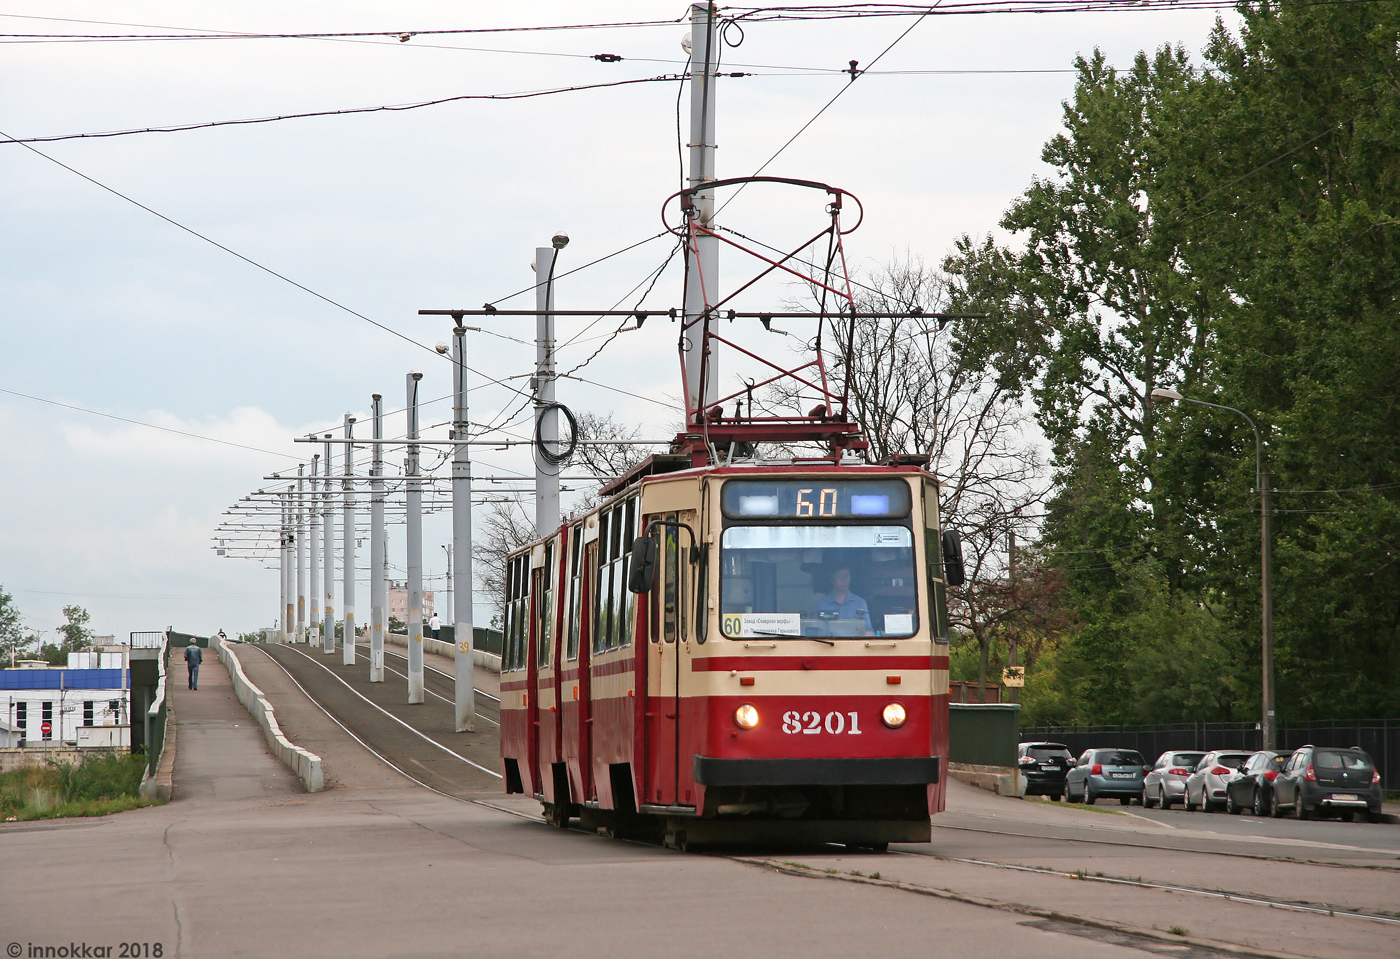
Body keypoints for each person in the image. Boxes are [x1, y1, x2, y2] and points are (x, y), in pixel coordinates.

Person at [816, 566, 873, 633]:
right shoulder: (823, 604)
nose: (843, 580)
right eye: (839, 576)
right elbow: (818, 632)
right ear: (832, 580)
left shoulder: (860, 603)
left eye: (846, 576)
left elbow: (869, 631)